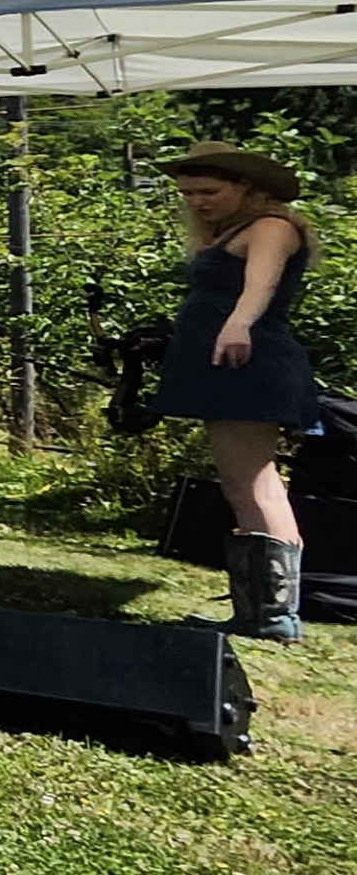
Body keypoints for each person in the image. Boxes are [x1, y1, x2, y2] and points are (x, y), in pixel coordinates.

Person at [155, 144, 319, 642]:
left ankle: (275, 615)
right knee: (238, 481)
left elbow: (260, 284)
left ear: (247, 187)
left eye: (209, 191)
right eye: (188, 194)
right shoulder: (227, 232)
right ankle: (256, 610)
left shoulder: (273, 227)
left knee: (254, 480)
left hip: (250, 362)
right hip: (225, 364)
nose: (197, 202)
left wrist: (239, 325)